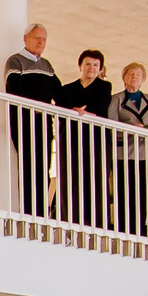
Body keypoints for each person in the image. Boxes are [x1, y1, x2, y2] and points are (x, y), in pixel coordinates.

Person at [4, 25, 61, 214]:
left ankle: (41, 212)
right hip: (24, 123)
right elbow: (15, 91)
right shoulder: (15, 61)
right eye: (37, 38)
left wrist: (76, 108)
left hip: (43, 124)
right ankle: (29, 213)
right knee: (28, 166)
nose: (40, 42)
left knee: (44, 166)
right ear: (25, 39)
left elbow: (59, 93)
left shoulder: (47, 65)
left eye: (44, 39)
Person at [52, 49, 113, 225]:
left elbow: (100, 109)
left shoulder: (104, 87)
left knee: (95, 178)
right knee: (71, 176)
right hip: (71, 139)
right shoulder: (67, 89)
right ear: (80, 66)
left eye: (95, 65)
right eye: (87, 64)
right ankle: (70, 219)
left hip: (96, 140)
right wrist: (79, 111)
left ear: (100, 69)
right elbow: (63, 109)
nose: (91, 68)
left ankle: (95, 223)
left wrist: (81, 112)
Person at [108, 62, 148, 231]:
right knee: (124, 194)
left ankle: (139, 230)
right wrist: (131, 128)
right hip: (124, 154)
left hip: (145, 154)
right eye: (131, 74)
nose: (134, 77)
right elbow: (111, 124)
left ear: (143, 79)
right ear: (124, 77)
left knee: (142, 196)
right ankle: (123, 229)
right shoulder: (117, 99)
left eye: (138, 75)